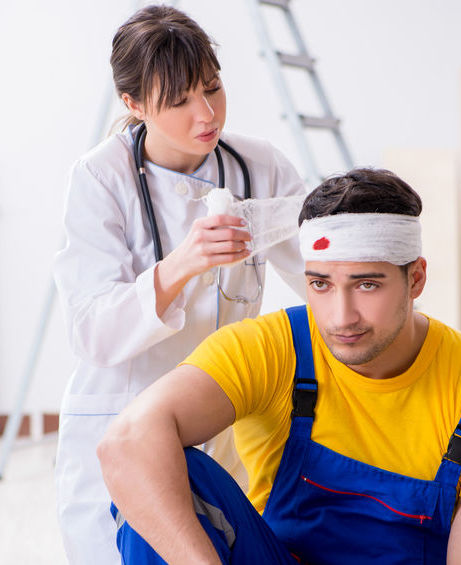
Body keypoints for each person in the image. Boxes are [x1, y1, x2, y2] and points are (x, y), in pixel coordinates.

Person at [98, 168, 461, 564]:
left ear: (415, 279)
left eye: (367, 284)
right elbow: (125, 444)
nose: (341, 316)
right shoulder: (274, 349)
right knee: (163, 474)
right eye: (320, 284)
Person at [53, 5, 307, 564]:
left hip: (215, 419)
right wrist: (181, 265)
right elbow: (92, 332)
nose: (206, 113)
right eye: (179, 101)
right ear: (134, 105)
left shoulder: (257, 165)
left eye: (212, 88)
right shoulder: (100, 179)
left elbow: (318, 258)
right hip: (120, 415)